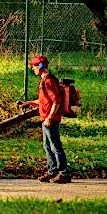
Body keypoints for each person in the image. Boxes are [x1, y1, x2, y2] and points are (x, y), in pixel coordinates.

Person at [20, 55, 70, 184]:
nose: (32, 69)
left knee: (55, 146)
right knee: (47, 146)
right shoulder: (44, 80)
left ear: (40, 67)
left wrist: (49, 118)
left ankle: (63, 174)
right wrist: (29, 103)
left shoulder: (48, 81)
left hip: (50, 119)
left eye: (34, 66)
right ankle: (52, 171)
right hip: (46, 118)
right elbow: (43, 101)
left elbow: (56, 101)